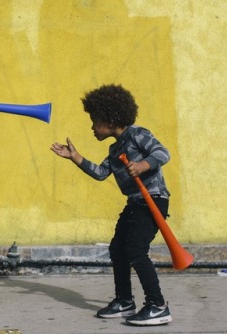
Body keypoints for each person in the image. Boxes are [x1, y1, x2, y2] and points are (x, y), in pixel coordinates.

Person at [51, 84, 173, 326]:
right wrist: (75, 157)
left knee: (136, 251)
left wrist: (142, 166)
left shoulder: (138, 134)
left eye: (94, 120)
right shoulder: (114, 149)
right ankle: (125, 301)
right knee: (118, 249)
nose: (92, 127)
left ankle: (158, 305)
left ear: (110, 118)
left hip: (153, 200)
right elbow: (100, 173)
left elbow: (162, 153)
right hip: (135, 203)